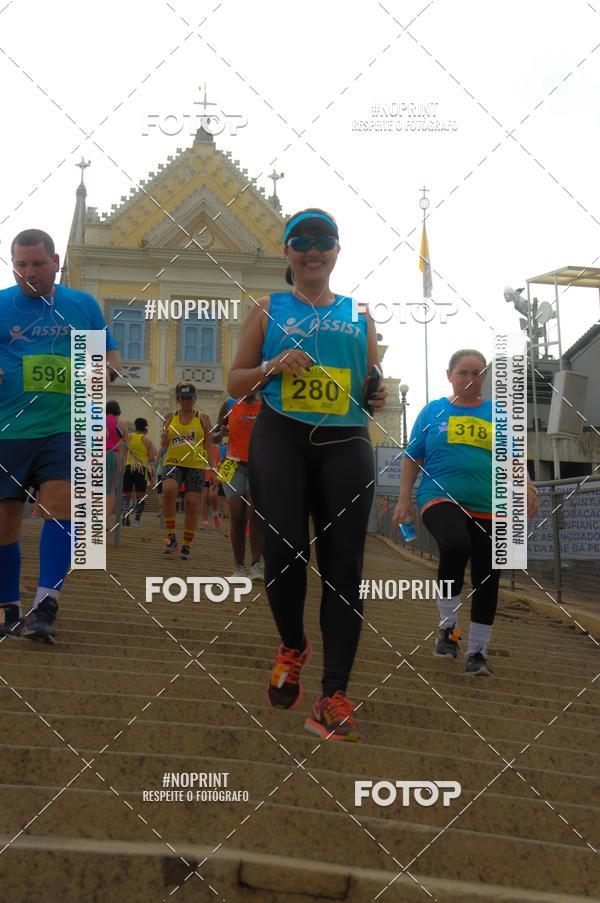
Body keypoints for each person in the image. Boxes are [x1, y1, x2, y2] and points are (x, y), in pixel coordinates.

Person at [228, 208, 386, 741]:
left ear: (337, 250)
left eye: (324, 241)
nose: (313, 249)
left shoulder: (360, 314)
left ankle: (333, 695)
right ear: (289, 252)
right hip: (282, 435)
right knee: (283, 550)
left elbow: (369, 382)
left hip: (345, 443)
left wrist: (377, 390)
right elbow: (235, 381)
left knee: (344, 568)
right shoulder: (267, 309)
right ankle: (292, 645)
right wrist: (273, 366)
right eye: (302, 241)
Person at [0, 229, 120, 642]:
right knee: (4, 523)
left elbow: (109, 353)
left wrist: (105, 370)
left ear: (55, 261)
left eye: (37, 263)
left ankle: (44, 605)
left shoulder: (81, 305)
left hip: (67, 424)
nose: (29, 273)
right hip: (9, 428)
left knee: (62, 505)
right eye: (21, 265)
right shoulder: (1, 305)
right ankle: (7, 608)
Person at [392, 349, 540, 676]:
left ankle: (477, 653)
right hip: (440, 497)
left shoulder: (497, 415)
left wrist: (528, 488)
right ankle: (448, 630)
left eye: (477, 373)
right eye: (463, 373)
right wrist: (404, 499)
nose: (470, 379)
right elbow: (412, 456)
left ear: (484, 377)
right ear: (449, 375)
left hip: (491, 505)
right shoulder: (433, 411)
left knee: (489, 576)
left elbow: (516, 459)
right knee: (456, 545)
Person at [160, 381, 213, 560]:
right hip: (173, 461)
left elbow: (209, 444)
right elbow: (164, 445)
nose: (186, 401)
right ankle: (171, 536)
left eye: (189, 398)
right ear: (178, 399)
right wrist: (163, 439)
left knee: (191, 503)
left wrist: (212, 468)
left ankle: (187, 545)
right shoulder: (170, 417)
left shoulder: (203, 418)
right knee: (168, 489)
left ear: (195, 398)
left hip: (196, 465)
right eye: (182, 398)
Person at [220, 394, 263, 580]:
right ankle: (238, 567)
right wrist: (219, 433)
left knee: (255, 511)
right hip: (233, 464)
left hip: (259, 464)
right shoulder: (230, 404)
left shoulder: (266, 404)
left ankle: (256, 565)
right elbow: (216, 434)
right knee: (237, 513)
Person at [121, 417, 157, 527]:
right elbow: (151, 460)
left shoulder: (128, 439)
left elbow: (122, 455)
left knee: (126, 494)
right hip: (142, 469)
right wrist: (153, 476)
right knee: (140, 496)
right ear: (145, 428)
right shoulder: (148, 441)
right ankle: (136, 520)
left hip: (128, 467)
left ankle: (126, 511)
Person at [106, 400, 128, 520]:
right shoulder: (121, 423)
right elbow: (126, 445)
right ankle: (104, 518)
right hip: (113, 456)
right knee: (110, 490)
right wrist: (124, 462)